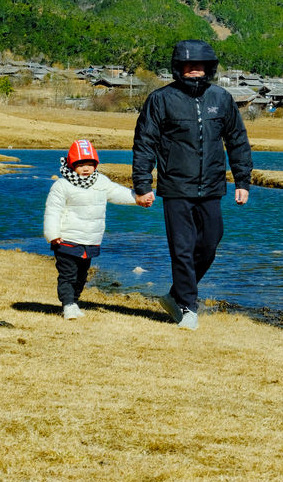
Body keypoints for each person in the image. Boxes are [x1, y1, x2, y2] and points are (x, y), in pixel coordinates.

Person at [132, 39, 252, 330]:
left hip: (212, 186)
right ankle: (188, 307)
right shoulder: (160, 100)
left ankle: (175, 295)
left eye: (199, 66)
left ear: (208, 68)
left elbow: (237, 140)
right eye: (188, 65)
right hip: (175, 188)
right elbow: (144, 143)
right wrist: (142, 184)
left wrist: (242, 179)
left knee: (210, 244)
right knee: (182, 249)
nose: (194, 70)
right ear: (178, 68)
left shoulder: (222, 99)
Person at [44, 138, 141, 319]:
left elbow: (118, 193)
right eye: (81, 164)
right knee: (68, 274)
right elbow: (53, 211)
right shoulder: (62, 185)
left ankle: (74, 301)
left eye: (90, 163)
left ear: (96, 164)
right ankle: (68, 304)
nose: (86, 168)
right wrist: (53, 234)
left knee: (82, 275)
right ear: (72, 165)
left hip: (90, 241)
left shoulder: (101, 182)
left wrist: (138, 198)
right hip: (66, 240)